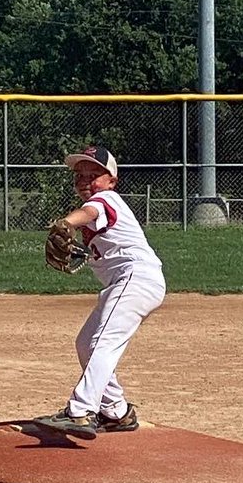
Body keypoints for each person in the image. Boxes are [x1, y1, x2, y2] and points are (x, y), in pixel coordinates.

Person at [33, 146, 166, 440]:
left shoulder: (105, 199)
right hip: (128, 283)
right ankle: (116, 412)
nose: (85, 180)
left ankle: (80, 412)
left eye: (94, 175)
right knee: (86, 343)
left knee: (103, 342)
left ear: (111, 181)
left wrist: (66, 223)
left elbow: (90, 211)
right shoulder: (101, 203)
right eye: (80, 175)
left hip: (136, 278)